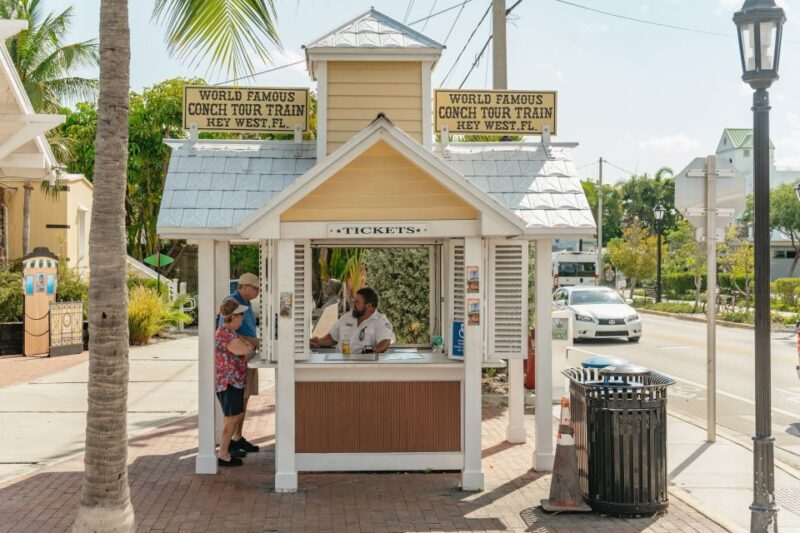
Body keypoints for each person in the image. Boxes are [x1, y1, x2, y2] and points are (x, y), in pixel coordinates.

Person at [220, 272, 261, 454]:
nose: (258, 291)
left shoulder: (248, 305)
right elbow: (226, 330)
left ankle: (237, 437)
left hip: (245, 361)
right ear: (244, 286)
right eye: (255, 288)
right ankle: (228, 446)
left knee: (243, 401)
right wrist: (250, 342)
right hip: (233, 366)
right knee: (234, 407)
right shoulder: (232, 303)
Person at [214, 299, 254, 466]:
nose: (242, 319)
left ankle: (227, 448)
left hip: (235, 382)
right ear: (233, 317)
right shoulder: (225, 335)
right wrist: (248, 347)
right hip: (228, 382)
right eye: (240, 316)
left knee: (234, 415)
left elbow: (247, 347)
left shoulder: (231, 334)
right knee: (232, 417)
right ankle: (223, 453)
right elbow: (246, 350)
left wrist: (248, 346)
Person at [310, 287, 395, 354]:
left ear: (368, 306)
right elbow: (332, 337)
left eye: (357, 302)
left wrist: (373, 351)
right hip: (340, 362)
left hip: (363, 365)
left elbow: (385, 342)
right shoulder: (346, 317)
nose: (354, 305)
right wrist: (319, 341)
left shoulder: (380, 322)